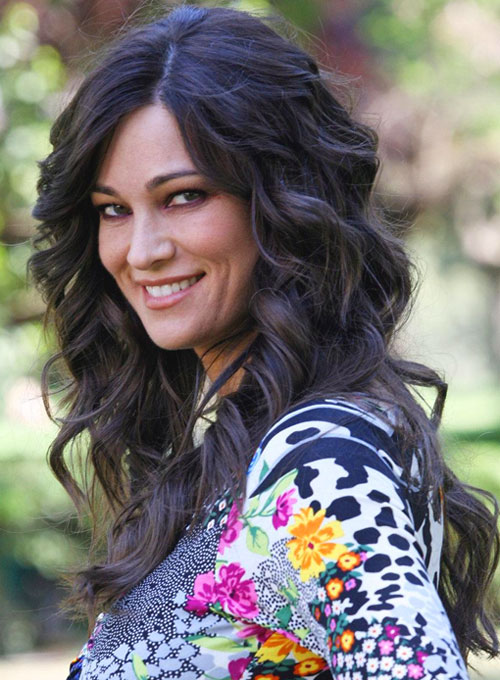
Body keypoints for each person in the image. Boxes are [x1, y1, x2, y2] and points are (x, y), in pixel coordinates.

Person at [29, 5, 498, 680]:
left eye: (184, 196)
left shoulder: (318, 460)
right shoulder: (244, 455)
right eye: (113, 209)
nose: (141, 250)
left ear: (282, 201)